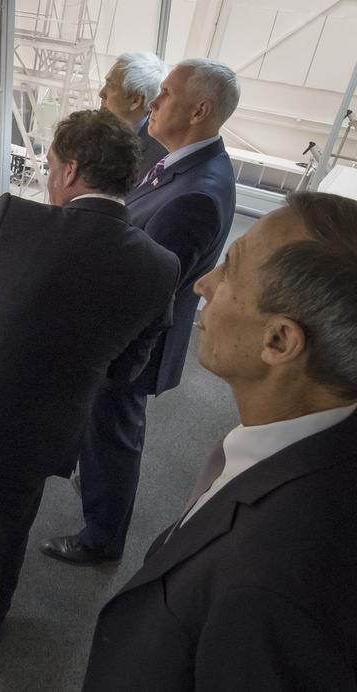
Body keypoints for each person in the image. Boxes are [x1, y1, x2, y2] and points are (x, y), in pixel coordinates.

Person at [0, 111, 180, 647]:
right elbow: (129, 365)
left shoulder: (16, 223)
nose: (45, 178)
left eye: (49, 166)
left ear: (70, 171)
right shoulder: (160, 266)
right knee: (11, 529)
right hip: (51, 424)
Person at [83, 192, 357, 691]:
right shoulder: (309, 448)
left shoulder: (270, 587)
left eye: (228, 270)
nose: (204, 283)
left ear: (278, 341)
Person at [43, 58, 240, 566]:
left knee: (114, 434)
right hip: (130, 337)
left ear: (199, 110)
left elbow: (142, 285)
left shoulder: (196, 194)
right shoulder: (182, 163)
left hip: (131, 346)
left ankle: (102, 538)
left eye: (166, 95)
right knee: (109, 431)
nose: (153, 102)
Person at [99, 51, 169, 181]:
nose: (101, 93)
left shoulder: (158, 160)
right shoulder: (93, 129)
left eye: (110, 86)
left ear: (135, 101)